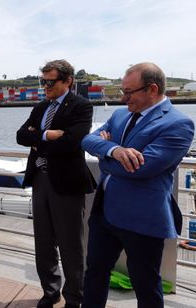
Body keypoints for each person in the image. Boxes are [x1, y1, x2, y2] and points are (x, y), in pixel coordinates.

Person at [82, 63, 194, 308]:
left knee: (145, 284)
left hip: (142, 217)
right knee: (94, 272)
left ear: (152, 89)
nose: (124, 98)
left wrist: (103, 157)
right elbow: (87, 139)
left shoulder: (178, 124)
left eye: (129, 92)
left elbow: (141, 169)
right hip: (104, 213)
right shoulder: (120, 114)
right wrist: (114, 150)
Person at [16, 59, 95, 308]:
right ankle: (50, 292)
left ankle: (74, 298)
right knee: (44, 241)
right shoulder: (41, 107)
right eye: (43, 81)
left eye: (50, 82)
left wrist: (38, 142)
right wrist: (46, 135)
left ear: (67, 81)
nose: (45, 86)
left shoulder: (81, 107)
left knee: (71, 245)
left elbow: (73, 142)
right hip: (40, 181)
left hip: (67, 184)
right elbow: (21, 136)